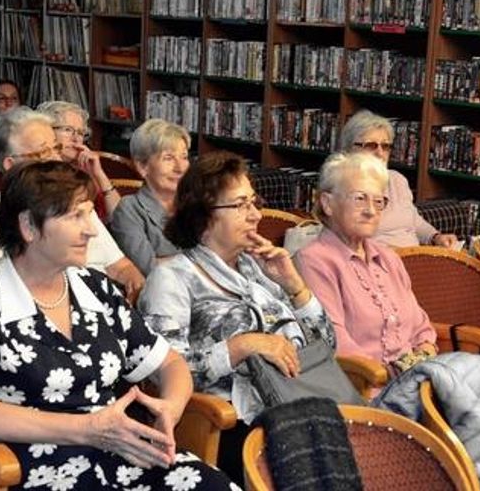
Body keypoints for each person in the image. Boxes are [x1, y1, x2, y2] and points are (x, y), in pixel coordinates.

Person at [0, 161, 237, 491]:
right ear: (28, 226)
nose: (92, 230)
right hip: (33, 465)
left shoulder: (96, 288)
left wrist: (171, 407)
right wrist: (88, 428)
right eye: (74, 216)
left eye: (89, 214)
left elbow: (169, 363)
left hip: (121, 449)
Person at [137, 152, 333, 476]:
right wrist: (239, 347)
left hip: (297, 406)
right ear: (203, 215)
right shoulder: (173, 277)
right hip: (224, 421)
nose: (256, 215)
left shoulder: (258, 269)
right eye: (241, 205)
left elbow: (326, 349)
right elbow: (159, 373)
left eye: (254, 202)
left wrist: (295, 285)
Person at [0, 106, 146, 302]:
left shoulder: (78, 202)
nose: (56, 159)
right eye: (43, 152)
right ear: (10, 165)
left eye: (56, 148)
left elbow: (121, 267)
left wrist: (136, 293)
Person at [294, 152, 437, 379]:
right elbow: (334, 342)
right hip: (367, 390)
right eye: (360, 198)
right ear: (328, 204)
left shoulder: (388, 257)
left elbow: (421, 328)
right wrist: (395, 375)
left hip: (417, 382)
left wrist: (423, 358)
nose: (371, 210)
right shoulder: (313, 261)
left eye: (379, 201)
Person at [341, 109, 458, 248]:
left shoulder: (397, 180)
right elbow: (347, 241)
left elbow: (414, 221)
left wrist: (435, 237)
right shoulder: (343, 187)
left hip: (416, 259)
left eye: (385, 146)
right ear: (349, 149)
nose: (380, 153)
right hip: (378, 263)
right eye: (371, 145)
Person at [109, 118, 190, 275]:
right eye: (168, 158)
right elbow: (150, 268)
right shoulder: (129, 209)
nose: (180, 168)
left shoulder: (197, 202)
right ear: (142, 167)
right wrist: (204, 263)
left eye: (184, 157)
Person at [38, 100, 122, 219]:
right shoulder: (38, 171)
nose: (76, 139)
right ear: (47, 131)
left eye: (81, 132)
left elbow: (121, 219)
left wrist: (99, 175)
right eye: (68, 130)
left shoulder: (84, 168)